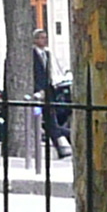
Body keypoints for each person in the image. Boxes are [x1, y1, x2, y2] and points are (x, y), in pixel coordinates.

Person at [30, 27, 70, 157]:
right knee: (48, 122)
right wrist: (37, 89)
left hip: (48, 91)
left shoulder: (46, 54)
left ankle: (61, 146)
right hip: (38, 92)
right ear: (35, 40)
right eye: (41, 38)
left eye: (45, 37)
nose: (44, 40)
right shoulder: (32, 54)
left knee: (51, 120)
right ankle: (66, 139)